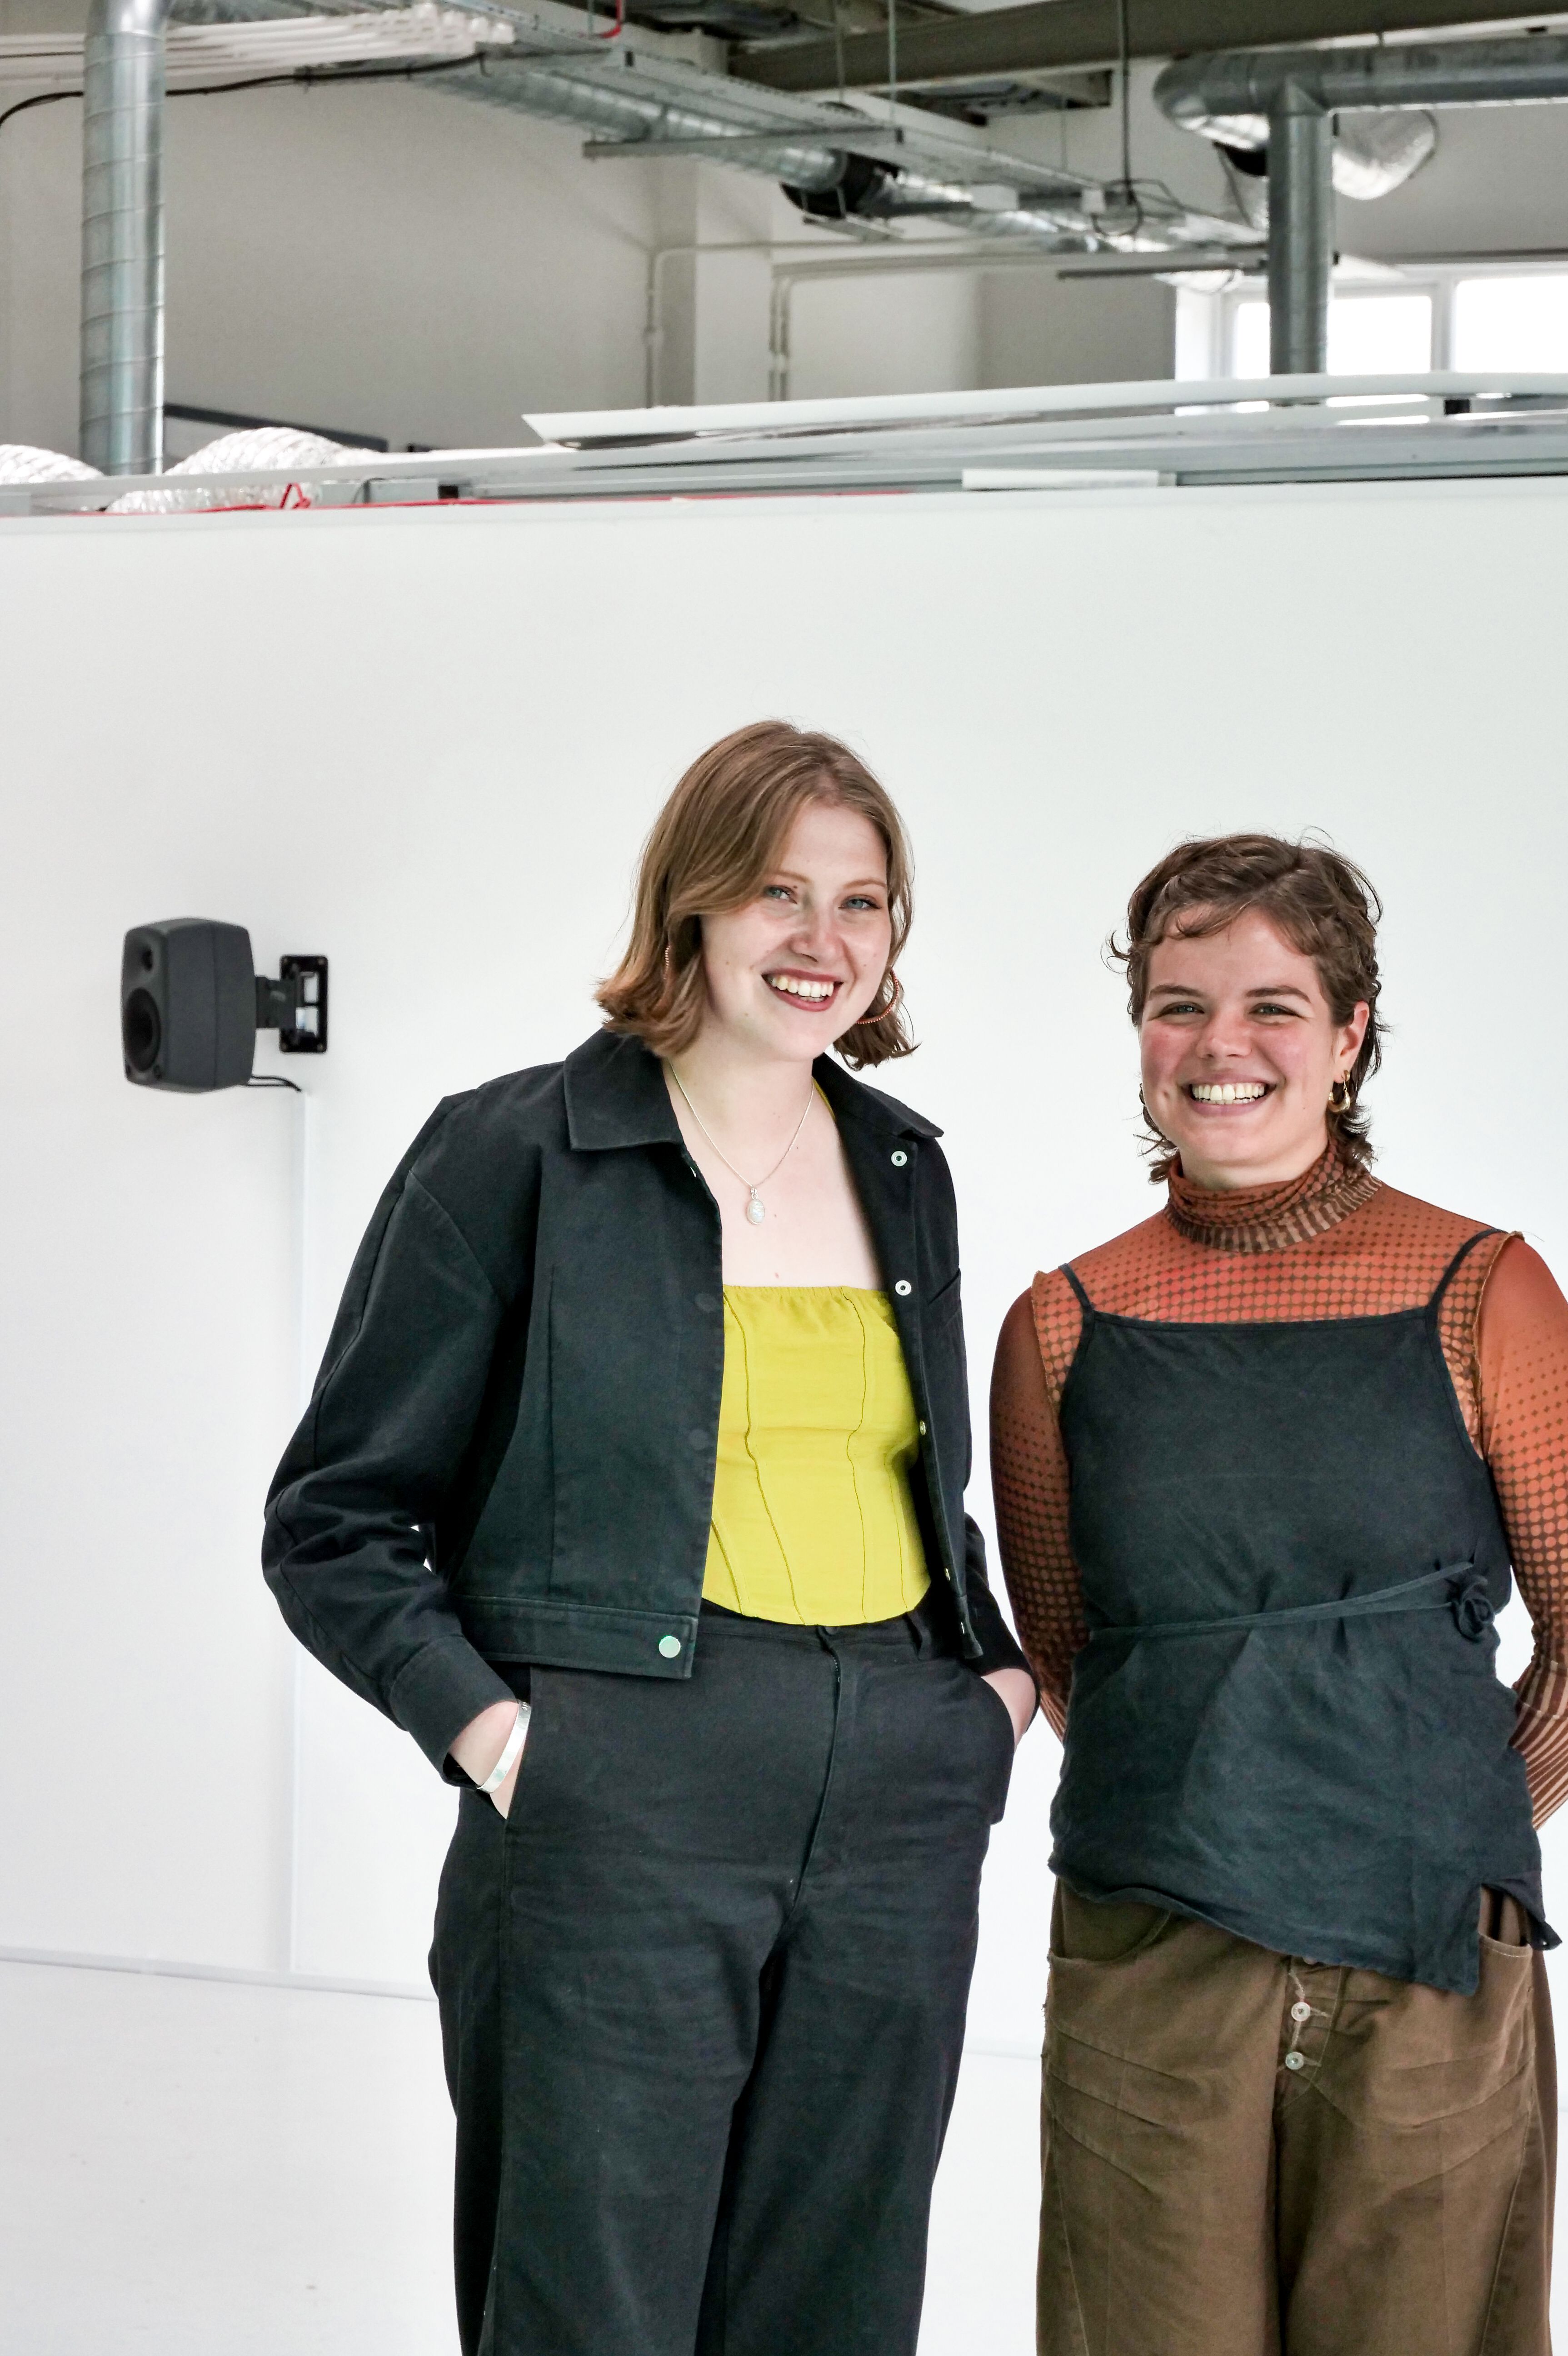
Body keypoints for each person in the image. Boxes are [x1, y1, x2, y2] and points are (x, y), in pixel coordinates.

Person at [264, 719, 1037, 2356]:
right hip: (621, 1787)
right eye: (778, 892)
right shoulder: (516, 1151)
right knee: (589, 2305)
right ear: (690, 903)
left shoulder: (907, 1172)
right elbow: (335, 1518)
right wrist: (497, 1737)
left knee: (837, 2298)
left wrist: (993, 1695)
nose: (822, 942)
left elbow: (913, 1473)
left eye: (864, 903)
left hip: (898, 1790)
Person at [990, 833, 1568, 2356]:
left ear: (1349, 1038)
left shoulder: (1489, 1290)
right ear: (1140, 1032)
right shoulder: (1063, 1325)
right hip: (1150, 1943)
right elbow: (1075, 1653)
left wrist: (1430, 1830)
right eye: (1178, 1004)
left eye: (1273, 1007)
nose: (1222, 1047)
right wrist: (1232, 1814)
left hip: (1424, 1950)